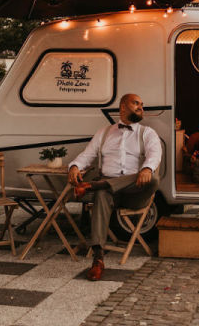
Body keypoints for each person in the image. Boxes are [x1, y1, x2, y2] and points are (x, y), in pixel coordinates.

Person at [68, 93, 162, 281]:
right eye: (136, 103)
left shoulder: (147, 133)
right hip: (109, 192)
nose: (141, 107)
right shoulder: (104, 133)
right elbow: (87, 155)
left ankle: (92, 186)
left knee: (153, 179)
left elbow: (155, 154)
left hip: (134, 192)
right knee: (102, 194)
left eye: (142, 104)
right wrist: (75, 166)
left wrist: (147, 168)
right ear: (122, 107)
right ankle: (98, 258)